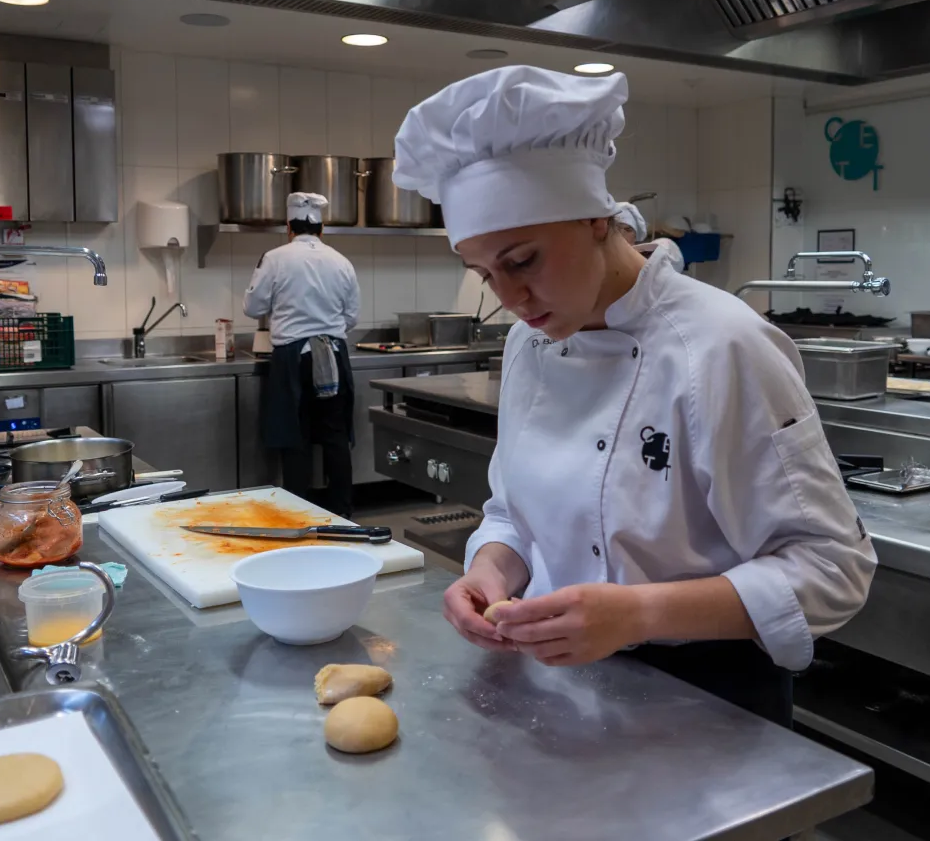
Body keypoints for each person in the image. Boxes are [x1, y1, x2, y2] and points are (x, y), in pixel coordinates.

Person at [392, 66, 875, 727]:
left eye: (523, 260)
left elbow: (832, 568)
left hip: (708, 706)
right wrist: (490, 574)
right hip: (561, 691)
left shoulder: (722, 344)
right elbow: (512, 513)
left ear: (598, 219)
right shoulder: (529, 344)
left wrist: (639, 611)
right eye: (484, 273)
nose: (509, 299)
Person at [243, 192, 360, 517]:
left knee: (296, 438)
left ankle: (298, 514)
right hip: (333, 356)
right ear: (321, 229)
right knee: (335, 439)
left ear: (288, 227)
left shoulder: (275, 258)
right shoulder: (341, 261)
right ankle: (343, 513)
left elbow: (253, 307)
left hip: (292, 359)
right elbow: (353, 316)